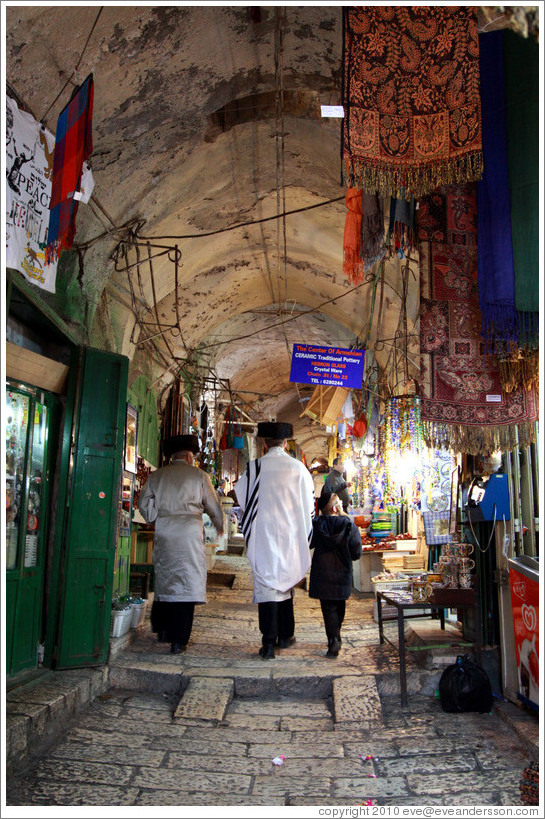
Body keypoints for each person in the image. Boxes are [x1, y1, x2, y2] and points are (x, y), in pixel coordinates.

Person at [235, 421, 315, 659]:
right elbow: (310, 507)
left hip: (264, 535)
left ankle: (269, 642)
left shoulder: (255, 468)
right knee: (286, 583)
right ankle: (286, 635)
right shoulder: (299, 469)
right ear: (286, 443)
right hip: (290, 535)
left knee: (267, 586)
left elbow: (242, 497)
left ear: (264, 444)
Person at [138, 434, 224, 654]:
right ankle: (179, 641)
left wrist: (155, 516)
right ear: (189, 456)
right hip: (189, 532)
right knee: (187, 582)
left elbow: (143, 502)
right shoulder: (199, 476)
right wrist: (219, 525)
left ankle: (162, 630)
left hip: (165, 530)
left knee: (166, 578)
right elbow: (213, 506)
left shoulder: (157, 476)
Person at [309, 489, 362, 658]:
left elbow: (308, 543)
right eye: (338, 502)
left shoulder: (316, 525)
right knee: (339, 607)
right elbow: (356, 553)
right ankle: (335, 638)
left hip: (323, 575)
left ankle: (334, 639)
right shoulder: (349, 525)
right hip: (342, 574)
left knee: (328, 609)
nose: (341, 504)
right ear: (334, 508)